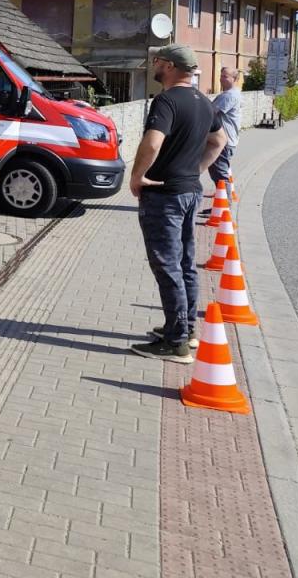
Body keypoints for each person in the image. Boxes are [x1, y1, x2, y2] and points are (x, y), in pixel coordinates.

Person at [129, 43, 227, 363]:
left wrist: (137, 176)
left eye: (157, 60)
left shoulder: (166, 100)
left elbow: (152, 143)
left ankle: (175, 343)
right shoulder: (204, 102)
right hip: (190, 192)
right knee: (184, 262)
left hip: (164, 194)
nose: (154, 64)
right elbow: (219, 141)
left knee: (166, 265)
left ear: (169, 66)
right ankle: (186, 330)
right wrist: (195, 170)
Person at [208, 66, 242, 190]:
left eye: (225, 76)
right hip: (227, 140)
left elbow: (210, 112)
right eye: (221, 76)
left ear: (234, 79)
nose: (221, 79)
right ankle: (222, 196)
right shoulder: (232, 94)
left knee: (220, 173)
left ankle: (225, 199)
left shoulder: (229, 96)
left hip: (223, 142)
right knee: (218, 170)